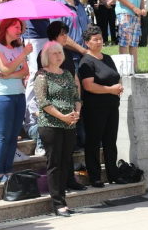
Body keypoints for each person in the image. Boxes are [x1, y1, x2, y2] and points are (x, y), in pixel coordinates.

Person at [34, 21, 86, 191]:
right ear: (54, 36)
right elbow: (44, 92)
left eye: (66, 33)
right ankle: (60, 190)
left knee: (68, 152)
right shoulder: (44, 57)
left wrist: (76, 105)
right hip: (53, 116)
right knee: (57, 157)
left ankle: (69, 180)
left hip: (71, 107)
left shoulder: (67, 54)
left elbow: (74, 78)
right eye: (63, 34)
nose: (66, 37)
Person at [34, 41, 81, 217]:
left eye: (60, 52)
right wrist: (62, 117)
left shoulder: (67, 74)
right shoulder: (41, 76)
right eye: (54, 53)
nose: (58, 55)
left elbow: (77, 97)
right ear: (46, 56)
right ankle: (57, 203)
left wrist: (76, 113)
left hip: (70, 124)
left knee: (65, 163)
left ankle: (63, 200)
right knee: (54, 164)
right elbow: (43, 102)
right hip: (50, 125)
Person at [79, 26, 127, 187]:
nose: (99, 42)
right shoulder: (86, 61)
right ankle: (95, 177)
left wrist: (118, 86)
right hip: (95, 108)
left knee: (110, 141)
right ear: (87, 43)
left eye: (100, 38)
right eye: (95, 40)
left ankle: (113, 174)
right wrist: (111, 90)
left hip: (112, 105)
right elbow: (88, 86)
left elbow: (115, 76)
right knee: (93, 142)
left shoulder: (107, 58)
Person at [0, 18, 32, 182]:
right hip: (1, 96)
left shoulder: (19, 46)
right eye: (15, 27)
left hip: (19, 95)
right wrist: (21, 57)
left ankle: (8, 171)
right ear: (5, 28)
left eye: (20, 27)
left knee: (14, 136)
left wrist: (9, 75)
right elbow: (5, 67)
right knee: (4, 136)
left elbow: (24, 72)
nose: (18, 30)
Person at [20, 0, 50, 119]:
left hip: (46, 33)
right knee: (33, 73)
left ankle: (42, 104)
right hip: (32, 35)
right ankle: (29, 112)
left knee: (44, 72)